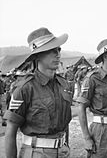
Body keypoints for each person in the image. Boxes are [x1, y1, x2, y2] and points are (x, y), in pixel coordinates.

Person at [3, 27, 73, 158]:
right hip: (36, 152)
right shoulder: (25, 88)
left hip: (62, 151)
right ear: (38, 55)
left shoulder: (64, 84)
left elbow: (65, 123)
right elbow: (10, 132)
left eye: (58, 49)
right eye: (51, 50)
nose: (57, 54)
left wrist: (65, 144)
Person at [76, 38, 107, 158]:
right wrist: (87, 137)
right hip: (100, 130)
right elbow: (81, 107)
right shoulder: (92, 79)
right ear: (105, 57)